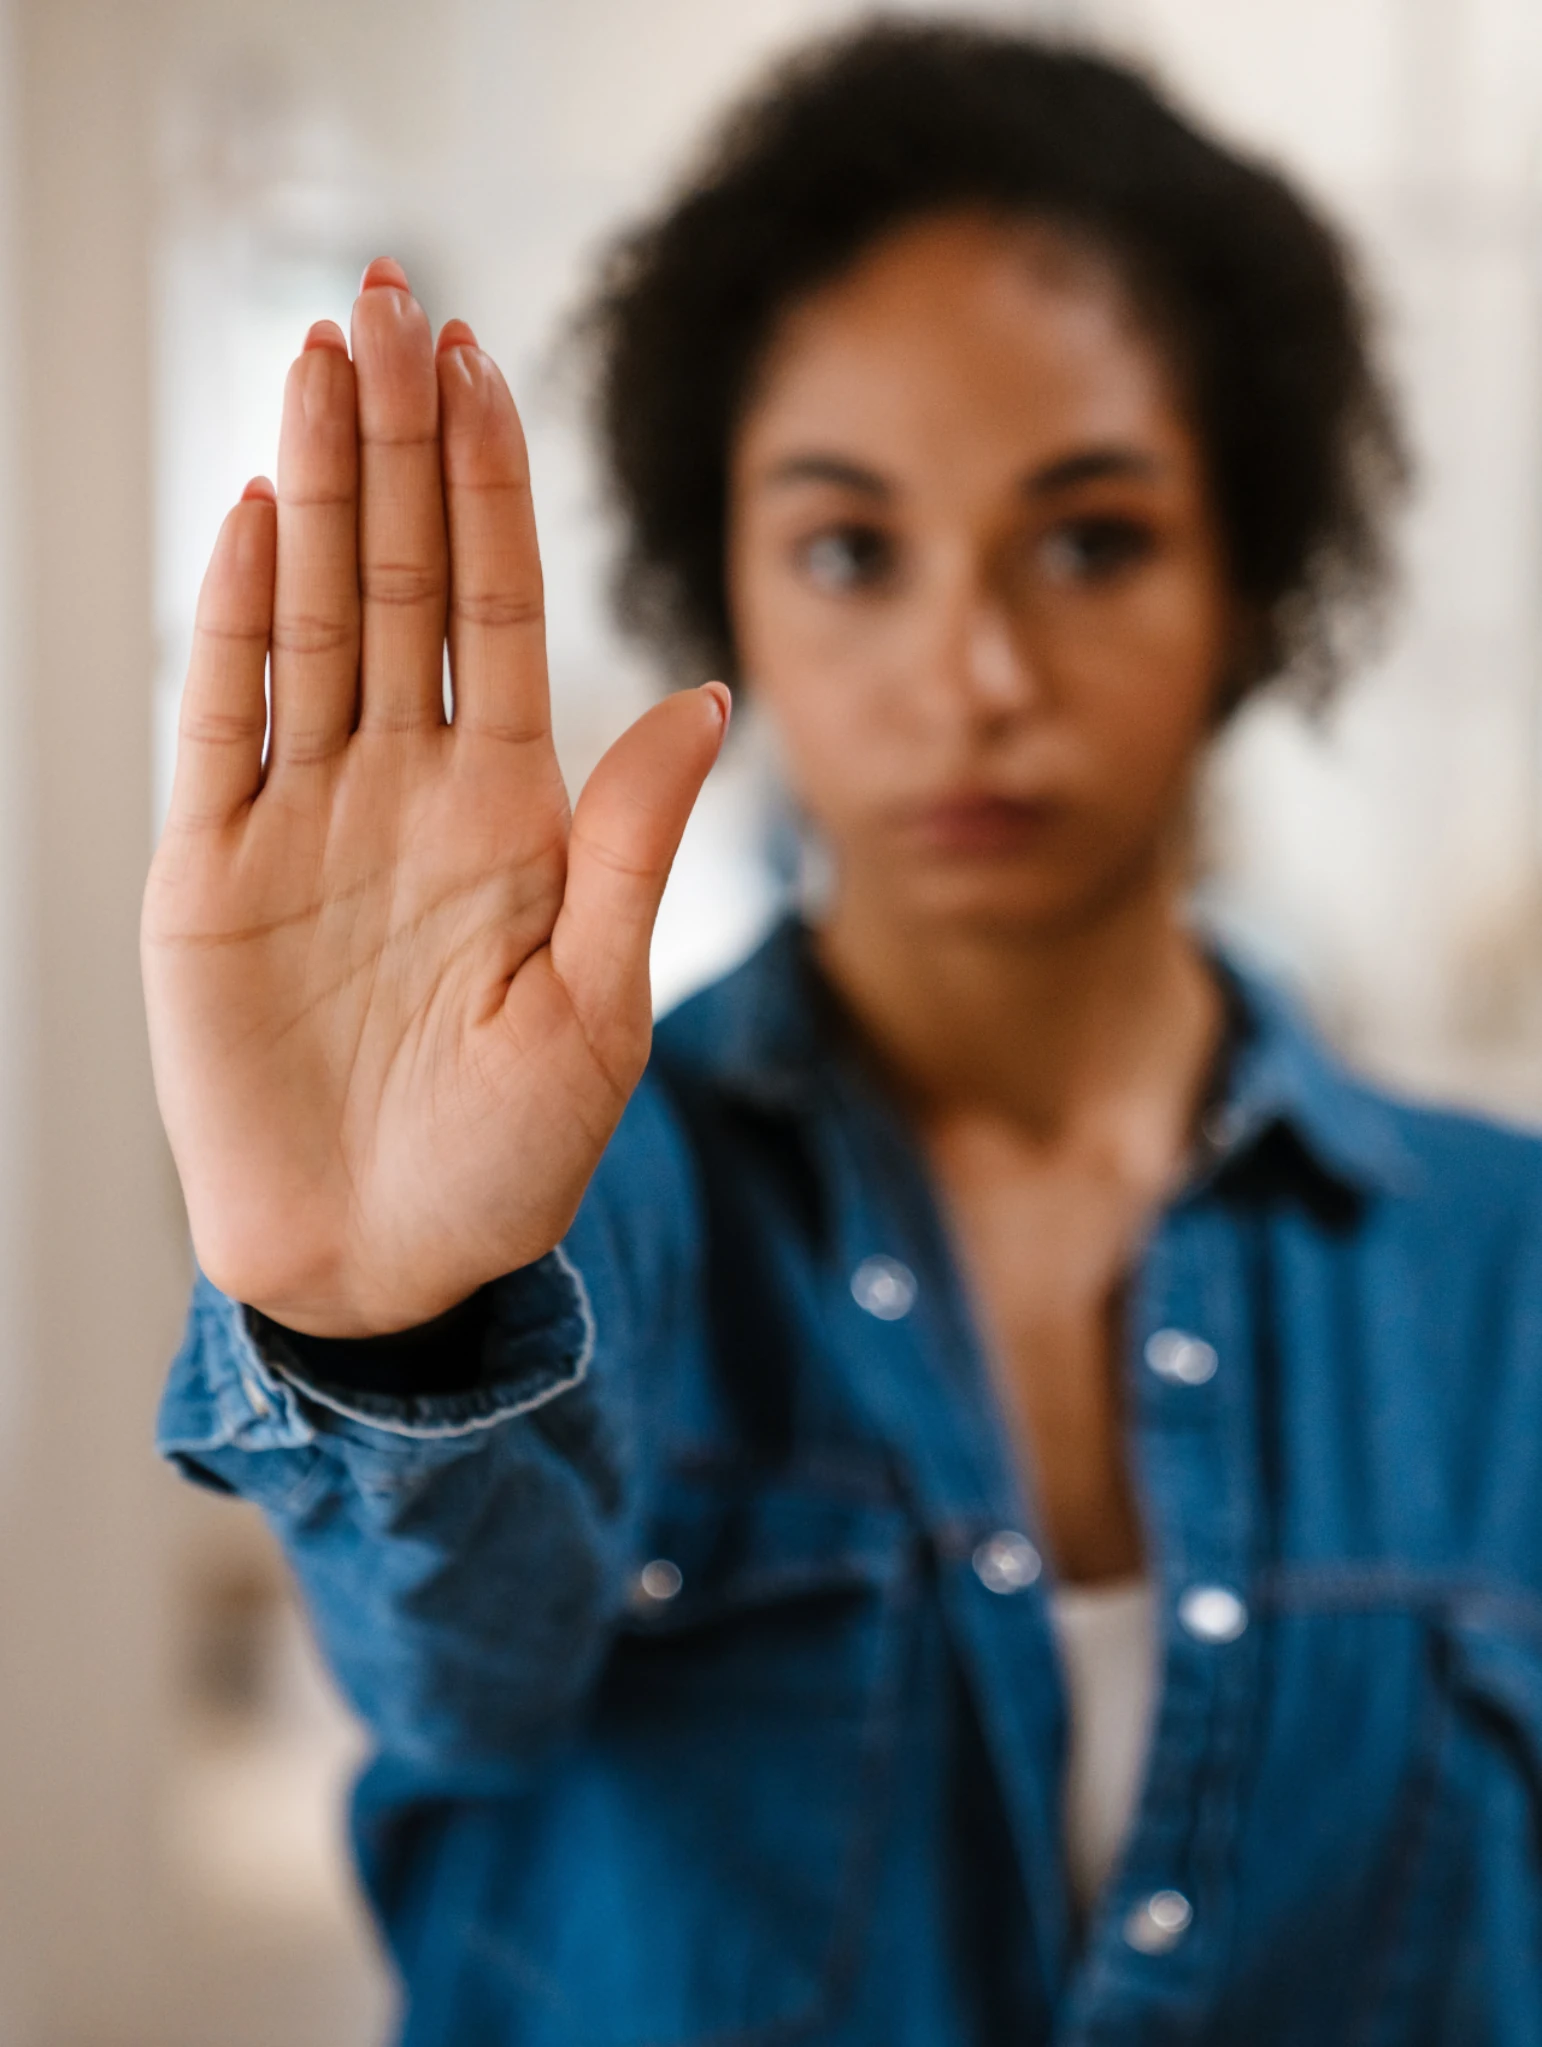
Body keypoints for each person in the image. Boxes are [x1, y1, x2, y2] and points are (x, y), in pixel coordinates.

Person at [144, 21, 1542, 2044]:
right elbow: (459, 1666)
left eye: (1092, 538)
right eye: (847, 549)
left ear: (1252, 577)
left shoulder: (1506, 1276)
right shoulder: (590, 1206)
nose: (970, 673)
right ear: (727, 588)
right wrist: (389, 1326)